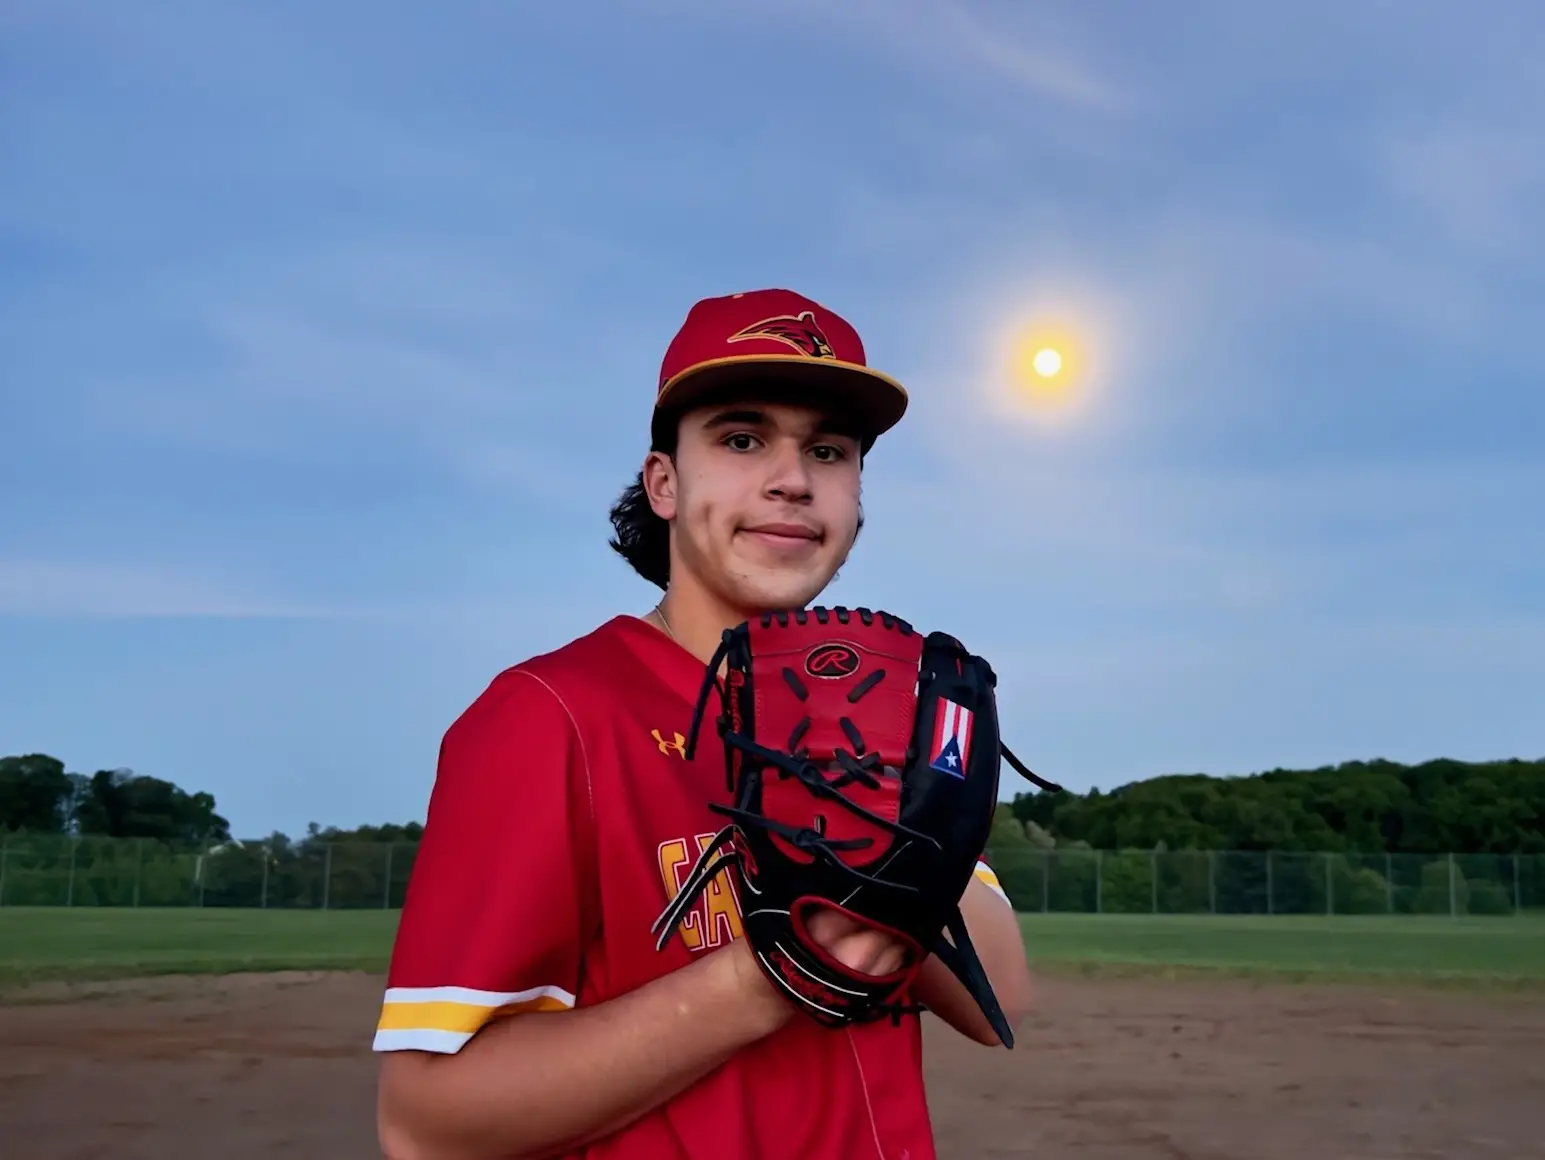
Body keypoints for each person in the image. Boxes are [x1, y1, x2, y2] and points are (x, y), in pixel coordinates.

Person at [373, 288, 1034, 1160]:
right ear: (663, 483)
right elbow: (425, 1125)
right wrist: (765, 977)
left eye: (827, 450)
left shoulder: (883, 718)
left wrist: (921, 834)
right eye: (741, 439)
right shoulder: (549, 716)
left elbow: (999, 1002)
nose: (792, 479)